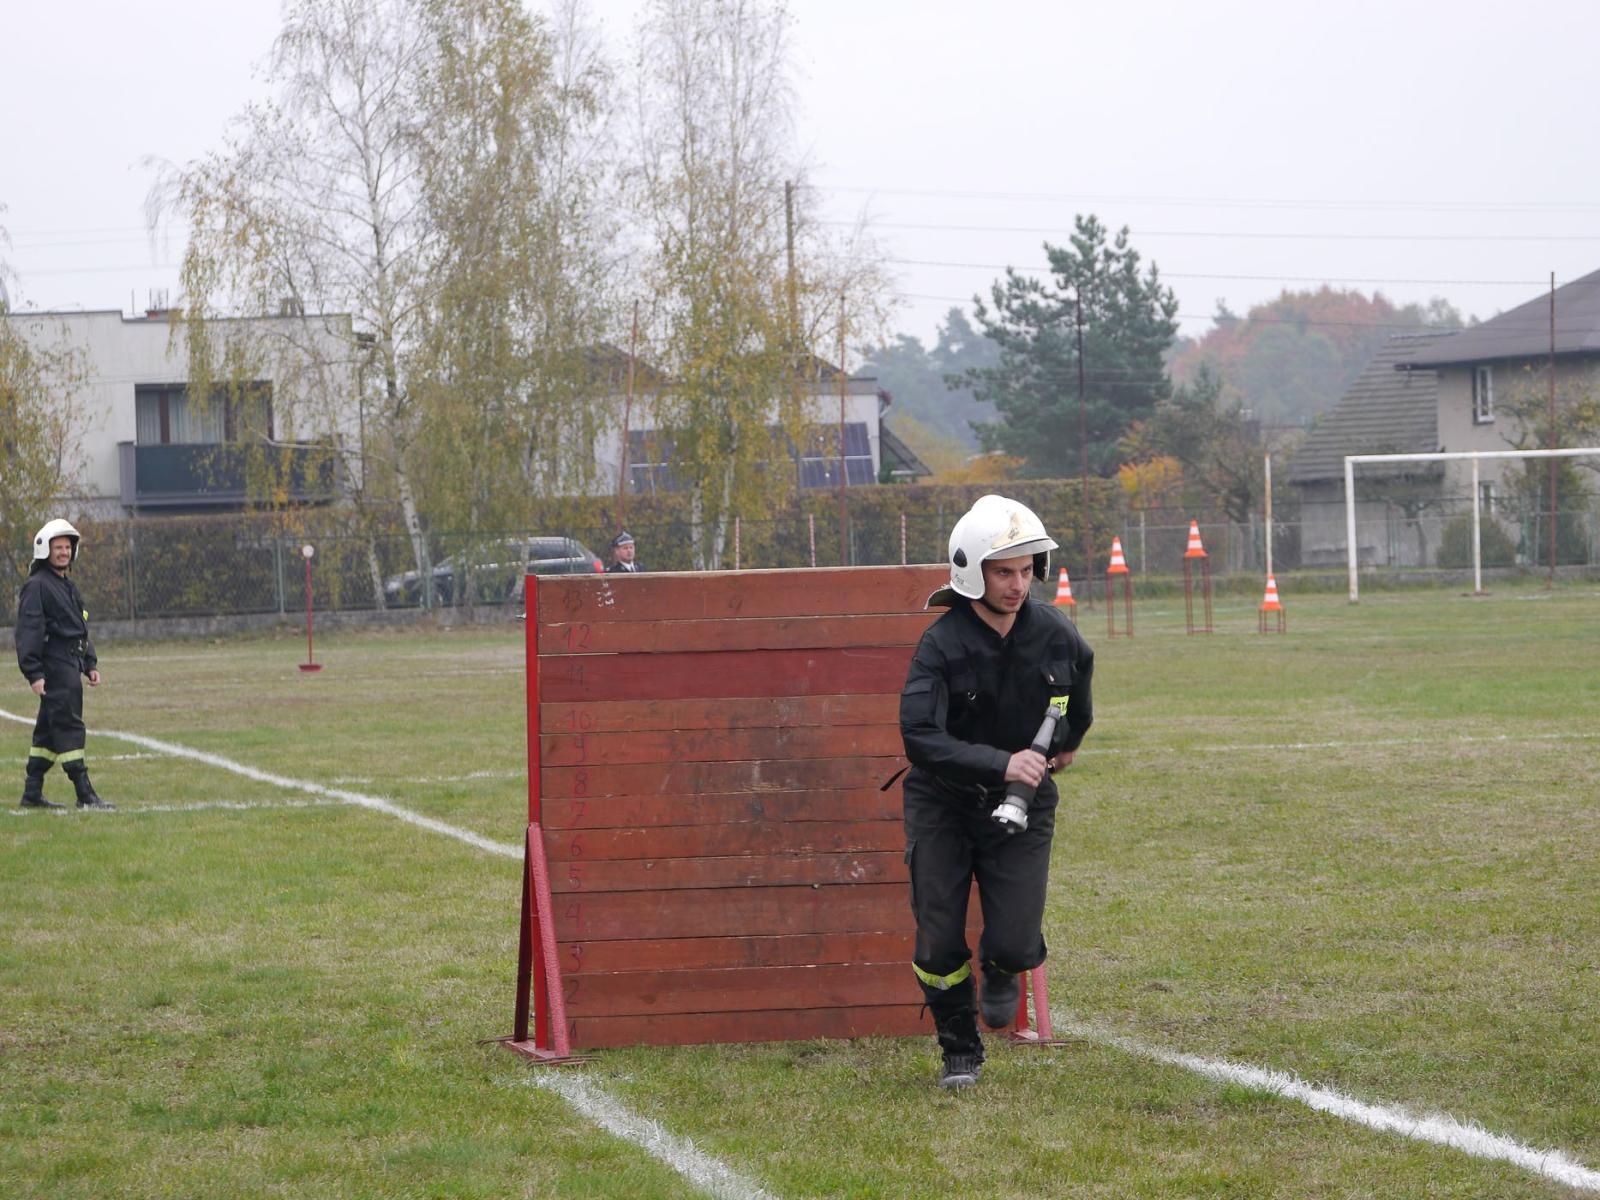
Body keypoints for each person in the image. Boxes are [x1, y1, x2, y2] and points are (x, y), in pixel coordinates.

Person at [898, 494, 1093, 1088]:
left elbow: (1076, 697)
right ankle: (959, 1048)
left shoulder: (1056, 631)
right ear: (971, 572)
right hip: (943, 804)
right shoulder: (940, 645)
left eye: (1027, 569)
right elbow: (919, 737)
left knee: (1014, 942)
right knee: (936, 939)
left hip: (1025, 807)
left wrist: (1067, 741)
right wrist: (1003, 762)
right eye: (1003, 571)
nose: (1017, 584)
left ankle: (1003, 966)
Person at [15, 519, 113, 811]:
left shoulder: (66, 586)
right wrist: (33, 672)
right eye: (58, 547)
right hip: (56, 668)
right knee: (69, 727)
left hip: (70, 665)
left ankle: (32, 793)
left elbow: (78, 627)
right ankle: (85, 794)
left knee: (46, 733)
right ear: (45, 549)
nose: (63, 552)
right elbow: (29, 630)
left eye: (67, 547)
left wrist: (89, 663)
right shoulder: (37, 586)